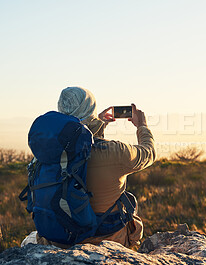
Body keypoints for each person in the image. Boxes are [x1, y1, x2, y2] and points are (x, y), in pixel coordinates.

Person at [35, 86, 156, 248]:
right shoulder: (115, 152)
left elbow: (80, 145)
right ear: (91, 111)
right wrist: (142, 125)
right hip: (107, 241)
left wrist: (98, 127)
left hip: (57, 239)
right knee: (129, 201)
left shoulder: (45, 152)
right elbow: (148, 153)